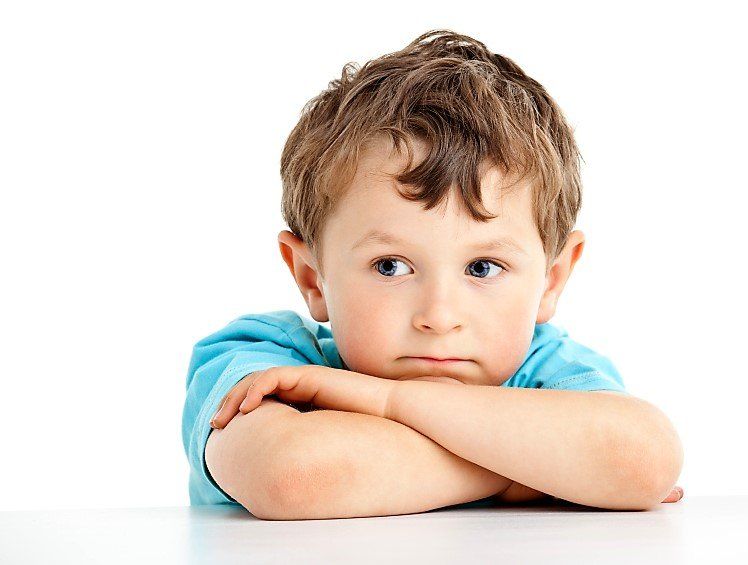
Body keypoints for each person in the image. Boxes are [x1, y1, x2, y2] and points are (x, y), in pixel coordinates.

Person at [181, 29, 684, 520]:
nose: (439, 317)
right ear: (313, 278)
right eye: (390, 266)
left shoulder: (544, 366)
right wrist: (535, 469)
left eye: (483, 268)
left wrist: (388, 400)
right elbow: (297, 476)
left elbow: (642, 460)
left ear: (550, 281)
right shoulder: (264, 359)